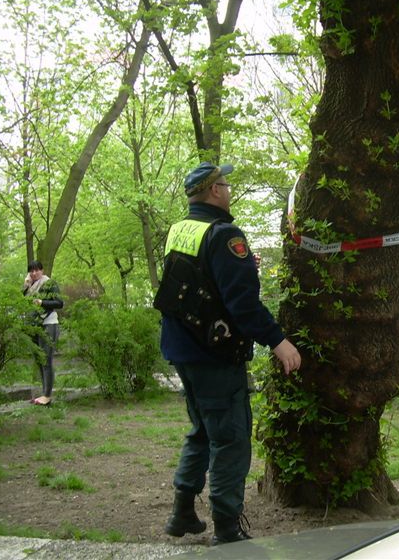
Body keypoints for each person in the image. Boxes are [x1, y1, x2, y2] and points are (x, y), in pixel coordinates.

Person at [154, 161, 302, 545]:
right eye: (226, 183)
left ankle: (182, 511)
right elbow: (243, 305)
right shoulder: (225, 235)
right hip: (213, 353)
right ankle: (226, 527)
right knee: (231, 437)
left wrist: (239, 268)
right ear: (215, 191)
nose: (230, 188)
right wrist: (278, 340)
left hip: (182, 349)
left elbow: (192, 279)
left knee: (202, 430)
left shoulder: (181, 229)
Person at [22, 260, 63, 407]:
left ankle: (47, 396)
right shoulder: (30, 286)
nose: (34, 273)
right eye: (31, 271)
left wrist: (42, 302)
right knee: (40, 360)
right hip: (35, 326)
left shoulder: (49, 284)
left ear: (42, 270)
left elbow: (59, 303)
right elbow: (21, 301)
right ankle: (44, 393)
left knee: (46, 360)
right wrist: (26, 284)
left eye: (36, 270)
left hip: (48, 324)